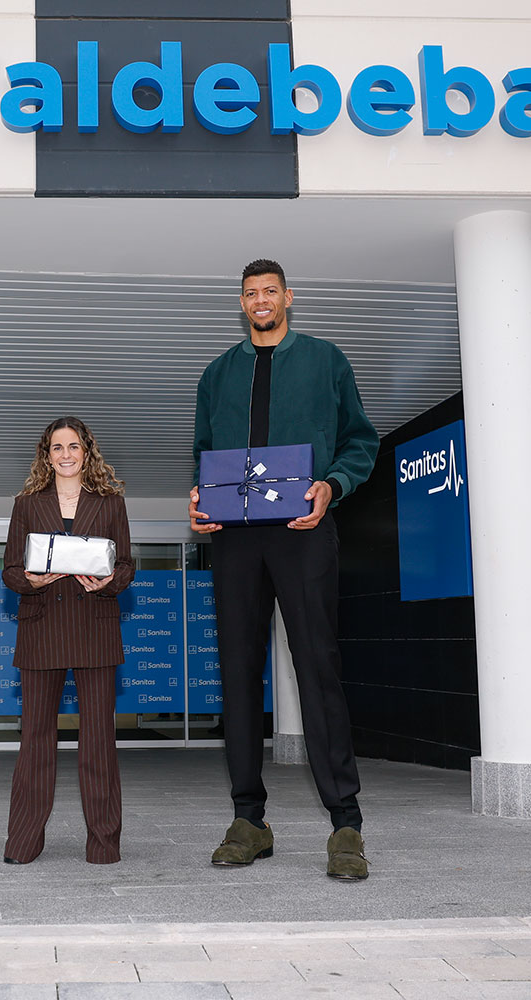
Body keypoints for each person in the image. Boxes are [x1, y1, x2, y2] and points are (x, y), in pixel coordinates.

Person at [188, 259, 379, 880]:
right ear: (241, 303)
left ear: (288, 297)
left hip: (304, 531)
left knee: (318, 667)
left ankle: (345, 824)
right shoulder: (217, 374)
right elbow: (204, 455)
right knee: (238, 673)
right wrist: (200, 500)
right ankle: (249, 820)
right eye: (251, 293)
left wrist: (333, 485)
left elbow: (361, 441)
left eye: (270, 291)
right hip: (235, 541)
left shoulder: (326, 361)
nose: (261, 300)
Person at [0, 417, 134, 865]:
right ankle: (23, 843)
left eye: (73, 446)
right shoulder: (26, 504)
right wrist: (31, 580)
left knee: (98, 741)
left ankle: (104, 844)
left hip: (95, 625)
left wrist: (110, 582)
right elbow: (10, 570)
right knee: (36, 740)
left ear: (86, 451)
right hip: (42, 627)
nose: (65, 455)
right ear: (47, 455)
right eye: (57, 447)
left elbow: (126, 565)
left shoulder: (111, 503)